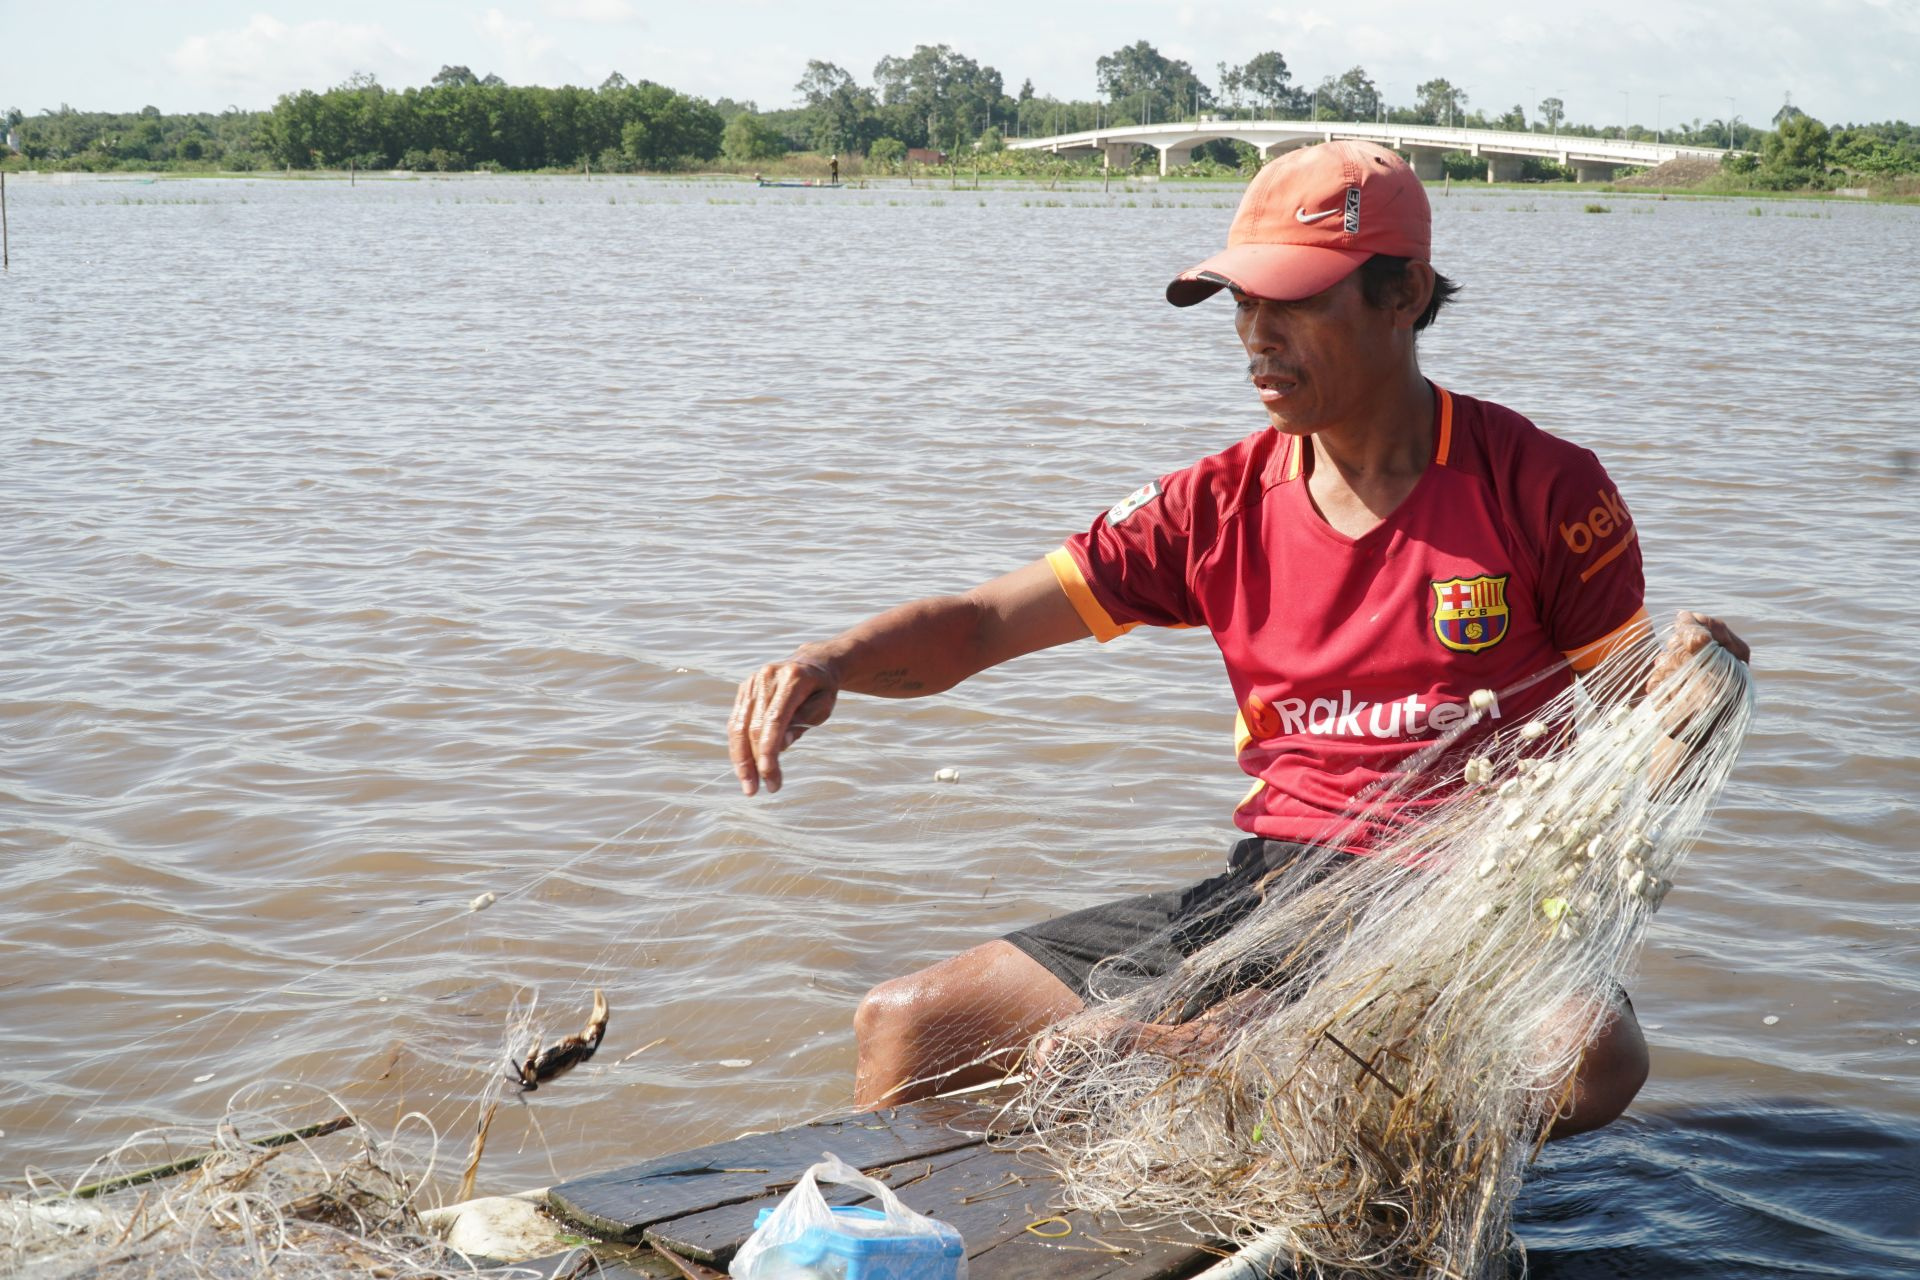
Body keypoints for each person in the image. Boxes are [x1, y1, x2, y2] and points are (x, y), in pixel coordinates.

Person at [728, 141, 1748, 1137]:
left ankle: (1251, 1048)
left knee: (1586, 1053)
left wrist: (1693, 705)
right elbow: (984, 623)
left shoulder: (1544, 488)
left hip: (1465, 907)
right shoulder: (1211, 504)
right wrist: (834, 662)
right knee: (905, 1028)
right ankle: (1228, 1050)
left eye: (1295, 299)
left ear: (1405, 293)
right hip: (1274, 884)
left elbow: (1623, 740)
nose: (1257, 333)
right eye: (1243, 302)